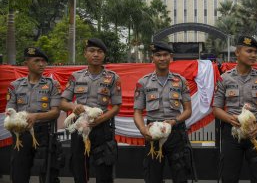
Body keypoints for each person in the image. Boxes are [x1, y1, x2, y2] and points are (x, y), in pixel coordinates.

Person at [213, 36, 257, 183]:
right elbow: (216, 109)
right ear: (237, 52)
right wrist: (230, 119)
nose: (253, 55)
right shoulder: (224, 79)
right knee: (229, 177)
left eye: (255, 52)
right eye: (249, 51)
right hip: (232, 134)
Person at [60, 38, 121, 183]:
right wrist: (74, 107)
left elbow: (117, 106)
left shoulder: (112, 77)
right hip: (80, 127)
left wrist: (101, 119)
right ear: (85, 54)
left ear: (104, 55)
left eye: (100, 51)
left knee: (104, 171)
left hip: (102, 128)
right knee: (79, 169)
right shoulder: (76, 76)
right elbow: (62, 102)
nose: (96, 54)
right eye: (92, 51)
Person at [133, 41, 193, 183]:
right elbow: (137, 112)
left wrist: (175, 121)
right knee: (153, 177)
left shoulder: (181, 81)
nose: (162, 58)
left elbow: (188, 110)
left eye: (165, 55)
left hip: (176, 133)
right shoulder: (143, 82)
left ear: (171, 57)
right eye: (158, 55)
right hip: (152, 133)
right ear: (152, 58)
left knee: (180, 176)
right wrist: (143, 129)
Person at [6, 47, 62, 183]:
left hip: (44, 134)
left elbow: (56, 112)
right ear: (26, 63)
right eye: (37, 60)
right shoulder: (15, 86)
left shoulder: (52, 85)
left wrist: (36, 117)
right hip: (21, 134)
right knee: (19, 173)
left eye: (44, 61)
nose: (41, 64)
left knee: (48, 173)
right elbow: (9, 110)